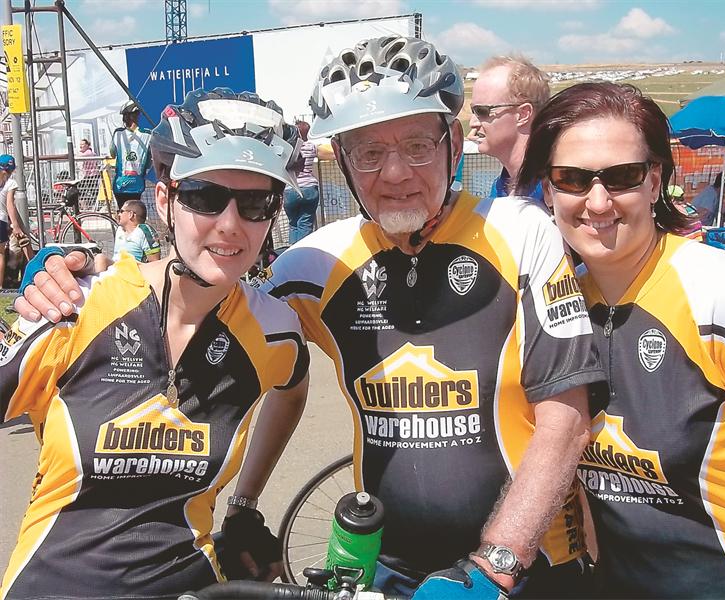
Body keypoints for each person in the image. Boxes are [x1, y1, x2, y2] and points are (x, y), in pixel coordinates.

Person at [19, 37, 605, 599]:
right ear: (341, 161)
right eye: (369, 152)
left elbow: (567, 418)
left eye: (417, 146)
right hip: (386, 564)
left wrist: (497, 562)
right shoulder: (316, 263)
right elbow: (217, 306)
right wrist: (74, 272)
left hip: (523, 564)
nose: (395, 173)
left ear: (453, 141)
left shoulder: (519, 232)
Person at [0, 88, 309, 599]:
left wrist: (244, 504)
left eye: (256, 203)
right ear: (165, 201)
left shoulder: (274, 330)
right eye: (205, 197)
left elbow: (293, 391)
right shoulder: (75, 308)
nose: (231, 224)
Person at [518, 81, 725, 598]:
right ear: (548, 189)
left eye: (622, 177)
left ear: (654, 182)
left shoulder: (721, 292)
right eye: (572, 179)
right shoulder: (558, 307)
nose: (597, 201)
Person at [468, 54, 548, 200]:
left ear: (523, 114)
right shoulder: (500, 187)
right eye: (473, 111)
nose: (472, 123)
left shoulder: (557, 190)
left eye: (482, 111)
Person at [110, 101, 153, 210]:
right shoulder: (148, 134)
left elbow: (112, 153)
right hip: (137, 184)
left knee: (122, 212)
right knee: (135, 213)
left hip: (120, 184)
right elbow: (149, 161)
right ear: (137, 115)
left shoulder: (118, 133)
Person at [283, 120, 320, 243]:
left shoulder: (288, 148)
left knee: (293, 224)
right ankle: (304, 250)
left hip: (290, 188)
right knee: (305, 223)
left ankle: (292, 250)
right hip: (309, 188)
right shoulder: (311, 147)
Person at [0, 154, 23, 287]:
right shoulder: (11, 183)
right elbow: (10, 205)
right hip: (1, 219)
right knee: (0, 254)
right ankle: (0, 286)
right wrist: (15, 225)